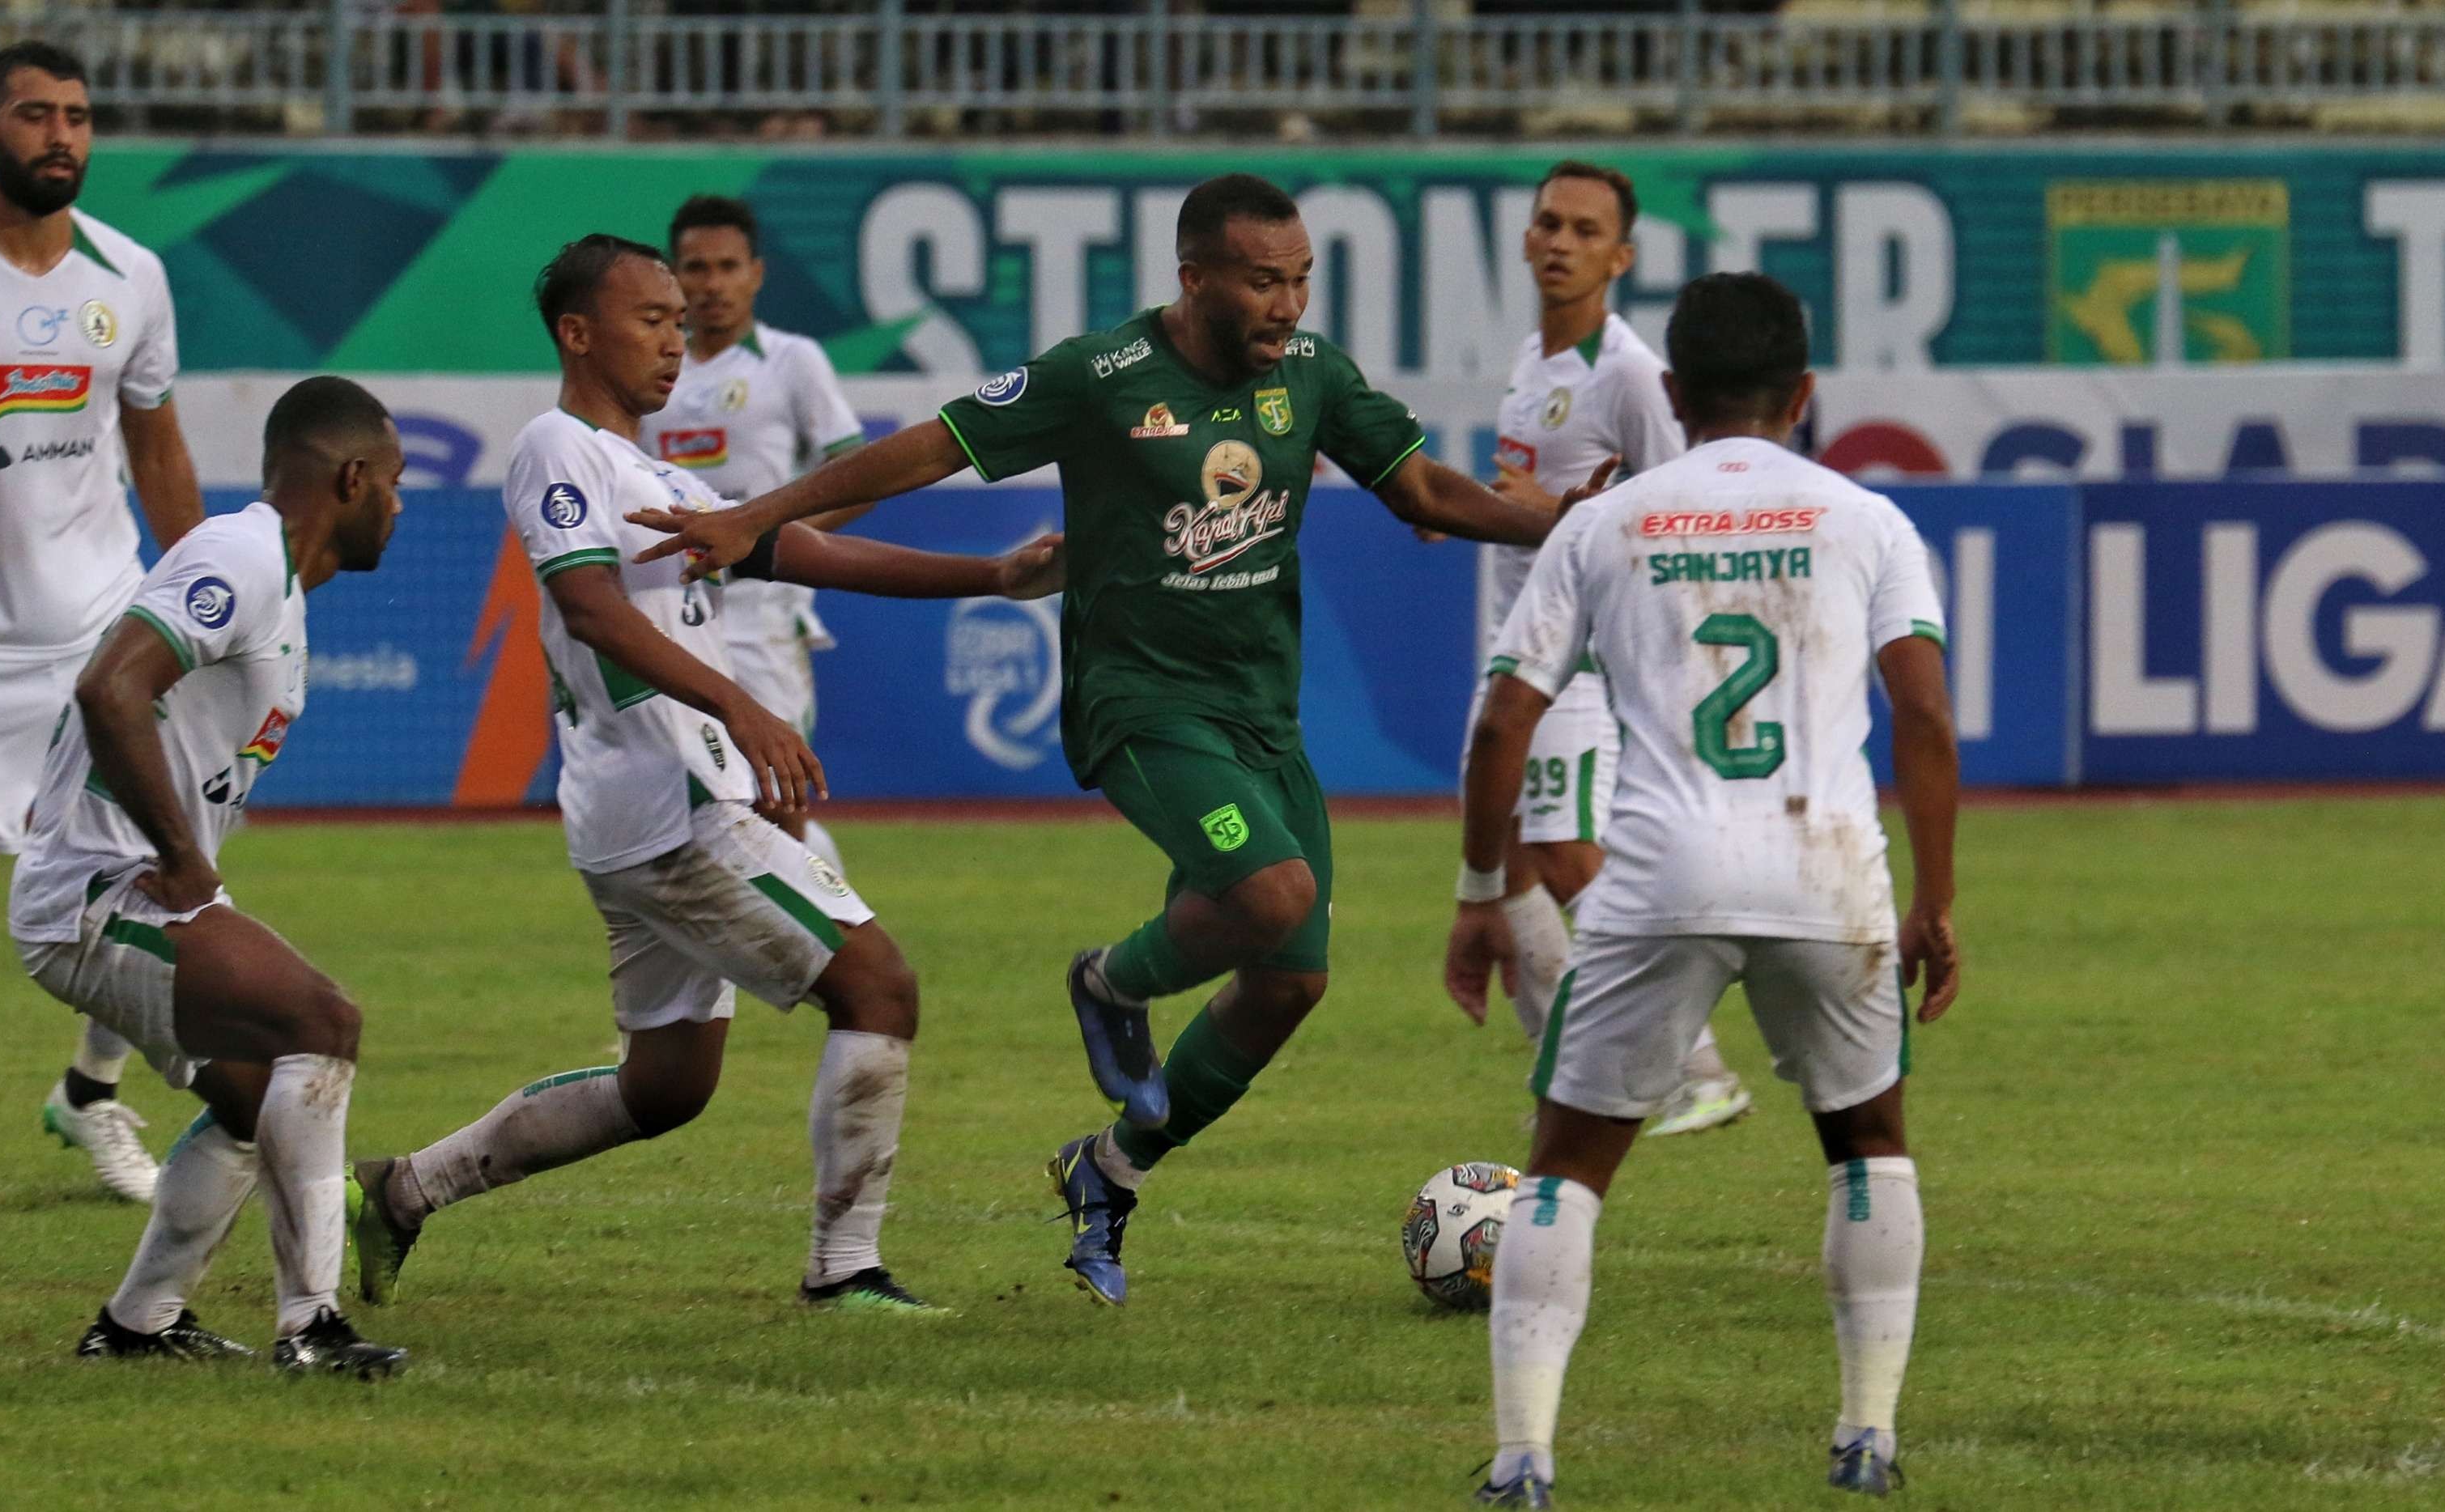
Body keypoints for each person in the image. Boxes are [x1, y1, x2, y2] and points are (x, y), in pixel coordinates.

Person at [625, 174, 1593, 1309]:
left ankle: (1110, 1171)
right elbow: (931, 447)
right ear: (1194, 278)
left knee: (1291, 982)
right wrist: (756, 517)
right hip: (1139, 702)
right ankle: (1110, 982)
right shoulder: (1102, 376)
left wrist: (1570, 521)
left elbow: (1424, 489)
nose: (1285, 305)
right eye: (1261, 282)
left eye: (1298, 281)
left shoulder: (1312, 376)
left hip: (1259, 716)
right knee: (1272, 896)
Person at [347, 235, 1063, 1315]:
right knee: (878, 986)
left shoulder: (668, 479)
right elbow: (588, 608)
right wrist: (738, 703)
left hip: (647, 810)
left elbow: (808, 554)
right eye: (651, 319)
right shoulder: (558, 447)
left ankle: (403, 1190)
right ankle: (845, 1271)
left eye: (681, 322)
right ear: (577, 333)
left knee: (666, 1087)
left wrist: (992, 575)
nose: (675, 342)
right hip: (672, 805)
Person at [1444, 272, 1962, 1504]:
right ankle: (1864, 1439)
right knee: (1866, 1141)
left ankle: (1522, 1459)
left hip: (1657, 874)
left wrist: (1478, 891)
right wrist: (1933, 899)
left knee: (1563, 1163)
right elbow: (1926, 717)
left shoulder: (1602, 524)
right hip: (1822, 869)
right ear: (1803, 393)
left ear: (1669, 396)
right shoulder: (1865, 521)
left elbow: (1497, 728)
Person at [0, 40, 206, 1217]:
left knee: (154, 867)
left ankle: (90, 1096)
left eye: (77, 116)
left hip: (109, 624)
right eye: (35, 115)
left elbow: (156, 445)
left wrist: (205, 588)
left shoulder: (133, 274)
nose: (61, 135)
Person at [11, 375, 408, 1375]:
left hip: (114, 887)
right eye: (395, 482)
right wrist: (185, 864)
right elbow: (111, 688)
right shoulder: (242, 553)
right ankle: (311, 1326)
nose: (401, 504)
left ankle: (137, 1323)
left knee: (251, 1101)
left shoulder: (281, 586)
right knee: (323, 1023)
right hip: (96, 892)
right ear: (353, 477)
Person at [1456, 159, 1747, 1138]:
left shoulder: (1624, 371)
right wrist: (1488, 516)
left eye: (1585, 231)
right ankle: (1571, 1067)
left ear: (1620, 256)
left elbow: (1686, 509)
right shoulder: (1534, 365)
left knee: (1567, 853)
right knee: (1506, 851)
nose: (1559, 242)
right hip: (1522, 640)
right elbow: (1548, 508)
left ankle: (1695, 1068)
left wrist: (1546, 518)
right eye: (1547, 222)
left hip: (1579, 657)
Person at [643, 193, 866, 873]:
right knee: (687, 795)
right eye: (695, 268)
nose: (712, 284)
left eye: (727, 266)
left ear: (757, 273)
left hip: (761, 610)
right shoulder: (655, 367)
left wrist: (772, 546)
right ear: (674, 278)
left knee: (777, 788)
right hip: (674, 608)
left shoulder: (791, 361)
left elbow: (854, 471)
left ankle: (813, 919)